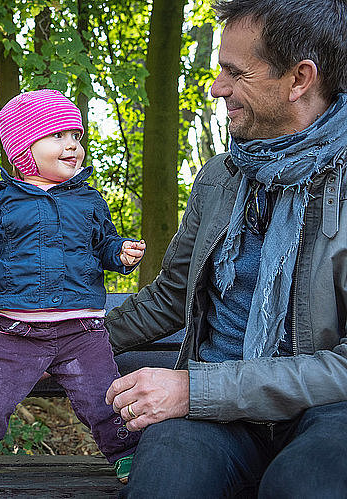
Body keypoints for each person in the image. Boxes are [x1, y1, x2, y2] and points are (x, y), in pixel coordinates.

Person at [104, 0, 347, 497]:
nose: (217, 87)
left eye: (235, 72)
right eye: (220, 70)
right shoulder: (221, 177)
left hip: (327, 412)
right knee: (165, 484)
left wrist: (195, 391)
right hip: (211, 415)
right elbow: (170, 297)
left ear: (299, 79)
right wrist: (68, 341)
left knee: (305, 485)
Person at [0, 89, 145, 485]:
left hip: (81, 330)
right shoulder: (2, 201)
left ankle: (127, 454)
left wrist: (121, 253)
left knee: (104, 397)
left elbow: (105, 243)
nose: (72, 146)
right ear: (25, 148)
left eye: (76, 136)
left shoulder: (89, 201)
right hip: (14, 331)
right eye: (58, 136)